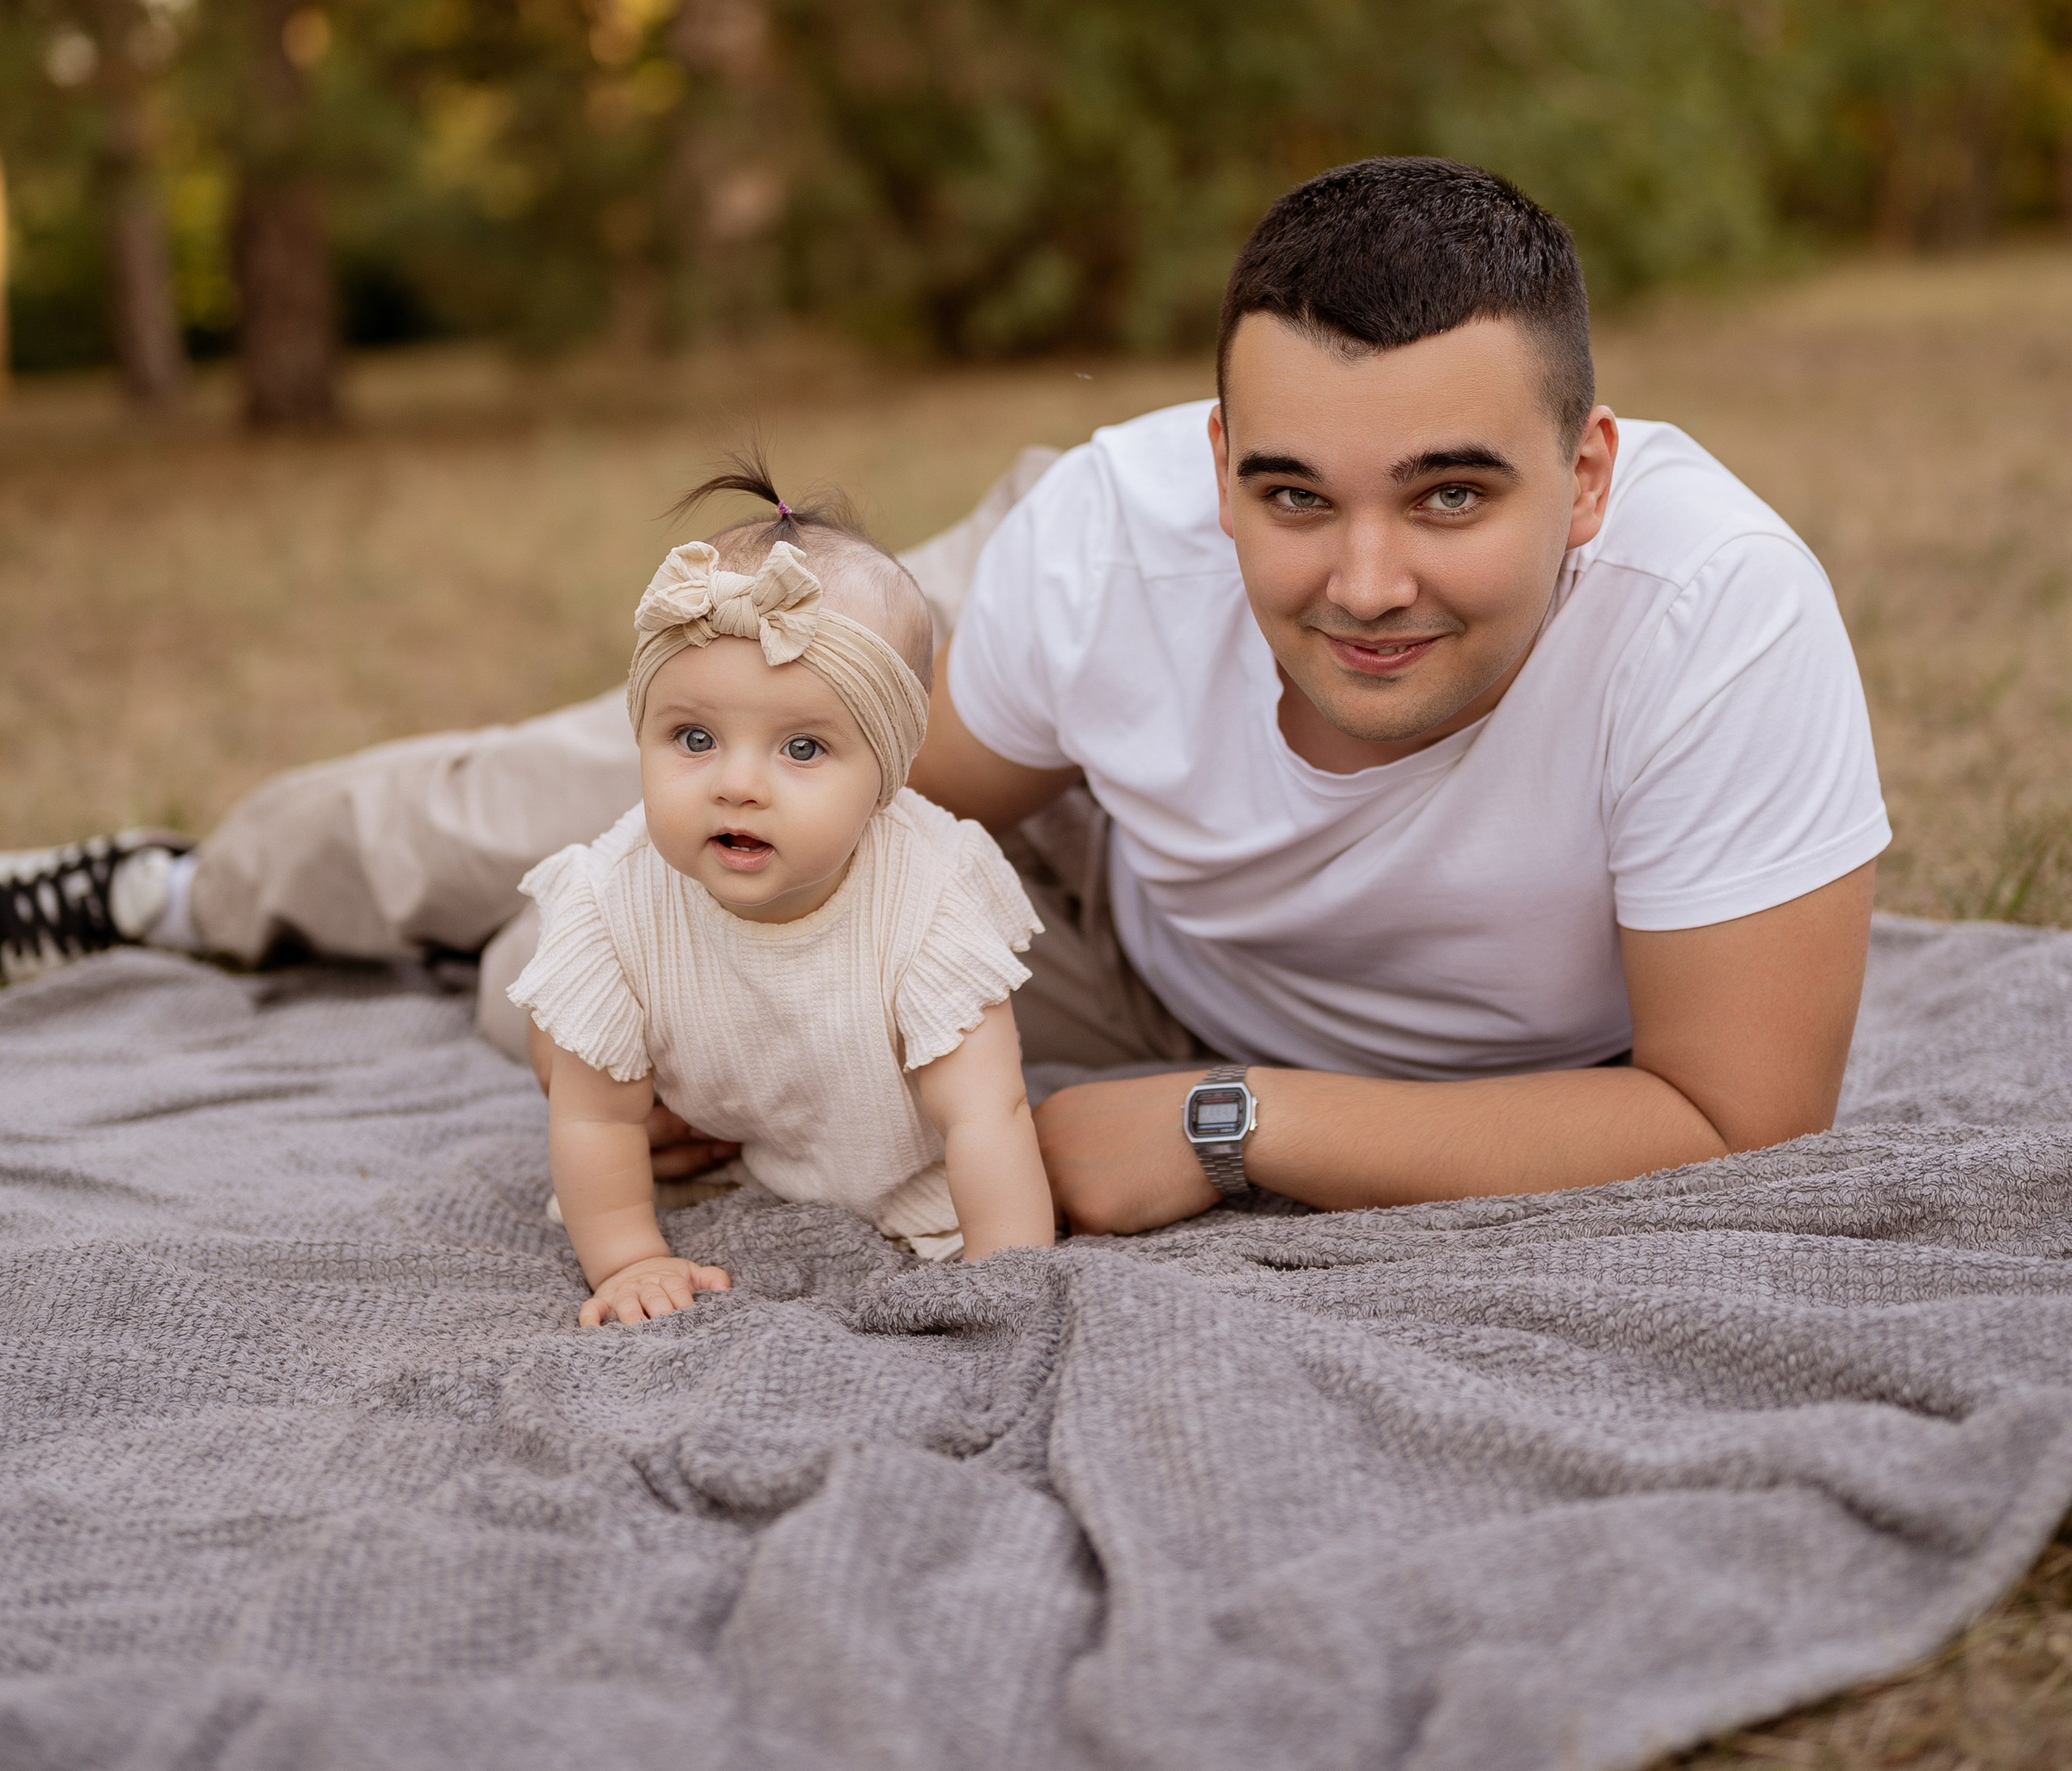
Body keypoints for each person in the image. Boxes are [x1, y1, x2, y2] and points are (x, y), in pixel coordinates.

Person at [2, 158, 1888, 1237]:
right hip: (1049, 833)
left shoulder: (1714, 618)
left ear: (1585, 473)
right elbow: (906, 810)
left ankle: (456, 962)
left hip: (1155, 993)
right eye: (1292, 492)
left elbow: (1735, 1106)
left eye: (1450, 492)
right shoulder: (1118, 535)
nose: (1365, 579)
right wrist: (724, 955)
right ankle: (181, 893)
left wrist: (1227, 1120)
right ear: (1215, 456)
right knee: (566, 807)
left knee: (536, 988)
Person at [512, 474, 1055, 1322]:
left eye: (801, 746)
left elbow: (989, 1113)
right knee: (560, 1041)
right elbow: (597, 1124)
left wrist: (1008, 1276)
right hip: (729, 1150)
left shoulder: (927, 891)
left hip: (901, 1173)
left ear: (887, 771)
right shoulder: (617, 900)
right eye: (693, 737)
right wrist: (630, 1258)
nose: (737, 784)